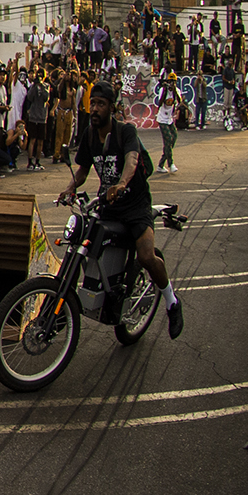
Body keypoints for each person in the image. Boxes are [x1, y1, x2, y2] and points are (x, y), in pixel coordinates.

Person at [61, 80, 182, 339]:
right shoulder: (89, 135)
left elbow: (132, 158)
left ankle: (172, 302)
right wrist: (69, 188)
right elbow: (82, 169)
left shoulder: (125, 131)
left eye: (100, 104)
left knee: (147, 256)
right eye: (92, 103)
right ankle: (63, 307)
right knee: (77, 245)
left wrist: (122, 183)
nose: (94, 109)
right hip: (107, 206)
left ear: (112, 107)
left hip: (135, 205)